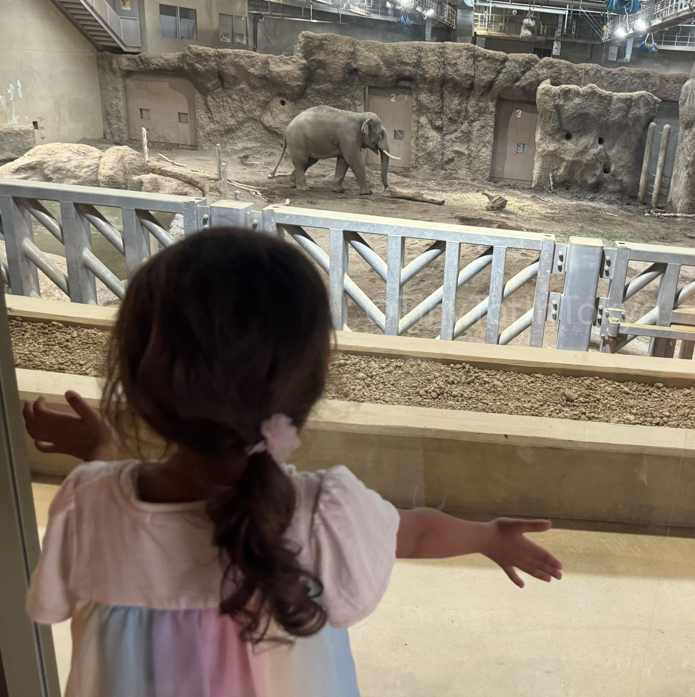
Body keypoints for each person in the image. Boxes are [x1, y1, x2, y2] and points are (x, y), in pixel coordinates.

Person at [24, 228, 562, 697]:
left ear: (135, 382)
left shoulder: (84, 499)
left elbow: (115, 519)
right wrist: (488, 536)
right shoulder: (320, 514)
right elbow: (413, 534)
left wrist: (99, 455)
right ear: (313, 379)